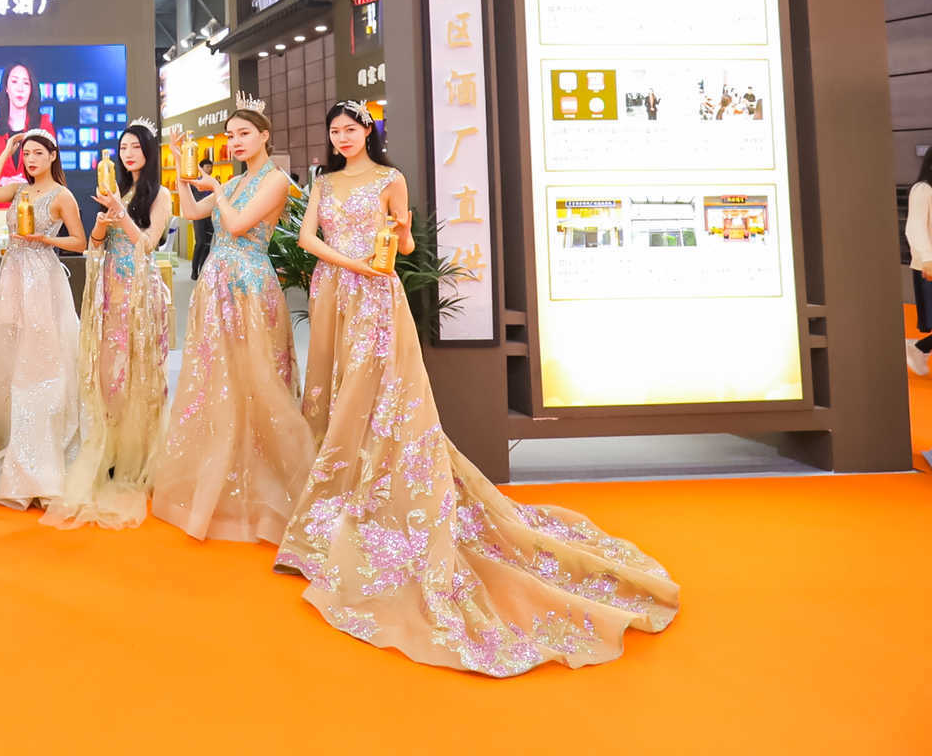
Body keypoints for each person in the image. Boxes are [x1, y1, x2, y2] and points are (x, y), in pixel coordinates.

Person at [274, 99, 677, 676]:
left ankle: (360, 496)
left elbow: (404, 249)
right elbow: (307, 239)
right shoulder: (323, 182)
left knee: (373, 391)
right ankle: (330, 504)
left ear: (367, 131)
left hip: (377, 296)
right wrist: (350, 263)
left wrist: (400, 232)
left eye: (350, 129)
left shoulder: (390, 178)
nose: (342, 138)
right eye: (335, 130)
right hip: (333, 289)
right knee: (331, 388)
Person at [151, 106, 313, 543]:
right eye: (230, 135)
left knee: (258, 379)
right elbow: (191, 211)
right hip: (216, 284)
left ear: (264, 135)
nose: (235, 141)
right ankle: (221, 480)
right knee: (218, 379)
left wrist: (217, 189)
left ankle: (268, 484)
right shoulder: (237, 182)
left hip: (250, 285)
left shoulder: (276, 180)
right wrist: (182, 168)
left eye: (243, 133)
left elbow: (239, 225)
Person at [44, 120, 173, 530]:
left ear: (149, 152)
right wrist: (102, 222)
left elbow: (147, 244)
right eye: (124, 147)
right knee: (107, 372)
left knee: (137, 369)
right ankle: (112, 449)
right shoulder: (113, 188)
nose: (128, 154)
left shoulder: (160, 194)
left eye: (136, 147)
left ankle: (138, 456)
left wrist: (119, 211)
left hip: (140, 292)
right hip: (108, 289)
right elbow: (96, 245)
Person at [0, 129, 86, 510]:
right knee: (11, 354)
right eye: (27, 154)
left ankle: (44, 442)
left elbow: (79, 241)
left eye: (38, 153)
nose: (31, 160)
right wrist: (6, 151)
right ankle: (17, 439)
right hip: (13, 275)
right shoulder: (18, 189)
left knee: (42, 359)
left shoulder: (62, 196)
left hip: (42, 277)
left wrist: (47, 241)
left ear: (53, 156)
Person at [0, 61, 55, 184]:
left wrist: (25, 182)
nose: (20, 89)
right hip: (3, 195)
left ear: (31, 89)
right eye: (14, 82)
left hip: (36, 195)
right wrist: (4, 181)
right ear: (6, 88)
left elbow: (52, 169)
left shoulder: (44, 125)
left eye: (26, 83)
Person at [907, 147, 932, 377]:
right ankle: (919, 348)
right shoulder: (923, 190)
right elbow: (914, 228)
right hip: (928, 266)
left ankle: (920, 348)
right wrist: (927, 259)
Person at [188, 156, 216, 280]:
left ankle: (202, 270)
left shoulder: (215, 183)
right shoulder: (195, 183)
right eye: (207, 167)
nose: (210, 169)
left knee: (207, 244)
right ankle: (194, 271)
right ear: (202, 168)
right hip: (198, 216)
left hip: (211, 216)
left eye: (211, 167)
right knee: (200, 242)